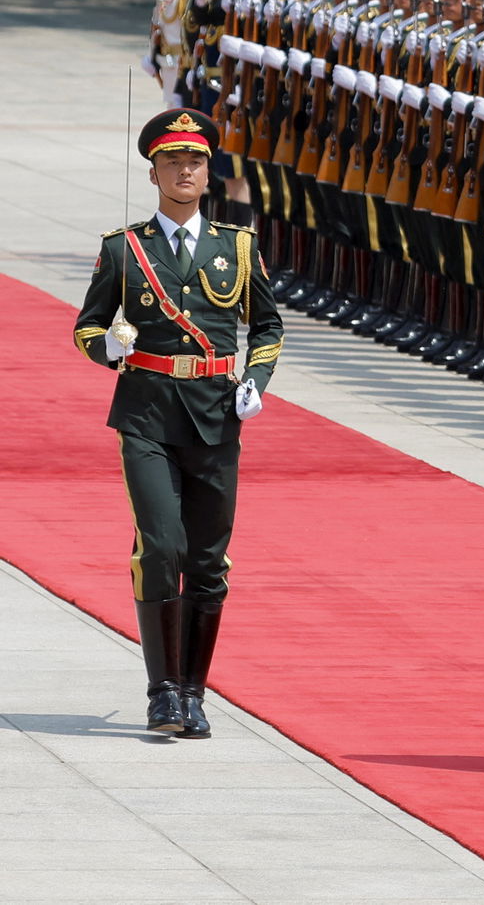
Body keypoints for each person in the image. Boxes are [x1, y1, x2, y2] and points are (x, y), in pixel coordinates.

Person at [73, 107, 283, 739]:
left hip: (218, 414)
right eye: (172, 162)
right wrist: (106, 346)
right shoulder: (123, 249)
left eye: (194, 161)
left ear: (208, 170)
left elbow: (268, 325)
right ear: (154, 171)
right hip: (146, 412)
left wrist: (256, 379)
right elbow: (86, 325)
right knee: (162, 545)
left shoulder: (237, 247)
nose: (184, 170)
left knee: (210, 559)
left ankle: (194, 693)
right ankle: (162, 691)